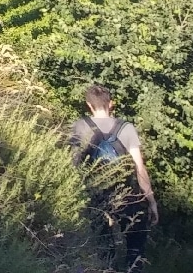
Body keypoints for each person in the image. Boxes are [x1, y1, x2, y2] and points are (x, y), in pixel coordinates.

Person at [71, 84, 158, 270]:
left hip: (94, 196)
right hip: (126, 194)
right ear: (111, 104)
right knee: (136, 246)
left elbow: (73, 166)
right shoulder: (126, 128)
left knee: (103, 250)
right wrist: (151, 201)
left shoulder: (80, 127)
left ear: (89, 105)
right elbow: (140, 168)